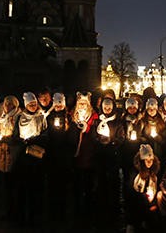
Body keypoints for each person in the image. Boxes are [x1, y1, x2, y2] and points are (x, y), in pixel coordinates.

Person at [11, 92, 47, 227]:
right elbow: (14, 135)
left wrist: (35, 140)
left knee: (36, 188)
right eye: (30, 104)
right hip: (23, 157)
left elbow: (45, 133)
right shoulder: (20, 117)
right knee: (22, 187)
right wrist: (23, 142)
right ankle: (20, 215)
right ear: (26, 105)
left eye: (35, 104)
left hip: (36, 157)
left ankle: (34, 216)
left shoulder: (41, 117)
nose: (33, 106)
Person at [93, 96, 125, 231]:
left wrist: (113, 142)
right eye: (105, 107)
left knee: (113, 181)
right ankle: (101, 206)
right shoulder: (97, 121)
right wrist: (99, 141)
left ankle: (114, 208)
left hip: (112, 155)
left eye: (109, 107)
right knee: (101, 181)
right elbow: (93, 136)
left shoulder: (117, 122)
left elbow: (121, 137)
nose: (107, 109)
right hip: (100, 155)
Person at [68, 91, 99, 228]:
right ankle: (76, 212)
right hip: (75, 157)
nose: (82, 106)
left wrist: (87, 130)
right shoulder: (71, 117)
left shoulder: (94, 117)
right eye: (80, 103)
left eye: (84, 104)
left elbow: (97, 136)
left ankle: (88, 213)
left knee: (88, 185)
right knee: (76, 186)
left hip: (89, 157)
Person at [45, 92, 72, 222]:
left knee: (63, 183)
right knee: (52, 183)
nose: (58, 106)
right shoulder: (49, 116)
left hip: (64, 155)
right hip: (52, 154)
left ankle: (62, 210)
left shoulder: (69, 117)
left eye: (60, 103)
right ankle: (52, 210)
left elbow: (72, 137)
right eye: (56, 103)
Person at [125, 144, 161, 233]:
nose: (149, 162)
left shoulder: (153, 175)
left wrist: (153, 202)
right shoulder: (136, 174)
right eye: (146, 160)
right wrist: (145, 197)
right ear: (142, 160)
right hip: (137, 205)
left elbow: (156, 189)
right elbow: (132, 193)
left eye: (151, 160)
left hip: (149, 204)